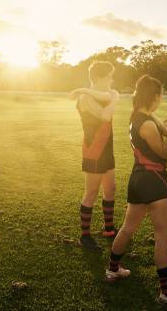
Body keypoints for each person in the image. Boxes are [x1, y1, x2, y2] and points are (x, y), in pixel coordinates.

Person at [105, 74, 167, 304]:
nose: (160, 99)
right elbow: (162, 153)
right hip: (153, 179)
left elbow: (162, 126)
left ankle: (113, 269)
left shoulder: (139, 117)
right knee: (162, 236)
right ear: (153, 96)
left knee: (127, 228)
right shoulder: (148, 124)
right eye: (159, 96)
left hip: (138, 179)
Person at [69, 61, 119, 250]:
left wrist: (112, 95)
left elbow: (107, 96)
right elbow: (105, 116)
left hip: (107, 148)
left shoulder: (100, 95)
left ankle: (109, 228)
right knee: (91, 192)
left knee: (111, 188)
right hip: (94, 149)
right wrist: (115, 98)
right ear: (98, 78)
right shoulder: (85, 99)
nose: (112, 80)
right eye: (109, 76)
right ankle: (85, 236)